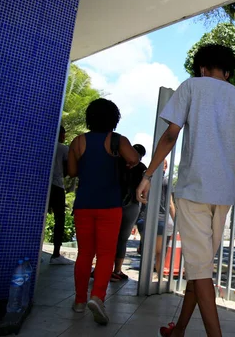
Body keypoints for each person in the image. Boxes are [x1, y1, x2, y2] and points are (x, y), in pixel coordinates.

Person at [136, 44, 235, 337]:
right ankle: (179, 329)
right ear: (228, 71)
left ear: (202, 67)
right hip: (225, 192)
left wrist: (148, 173)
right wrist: (225, 145)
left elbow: (170, 135)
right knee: (200, 266)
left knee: (200, 269)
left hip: (194, 189)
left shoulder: (192, 86)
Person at [67, 98, 140, 325]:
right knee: (106, 253)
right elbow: (134, 159)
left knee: (84, 253)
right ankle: (97, 297)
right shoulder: (117, 140)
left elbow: (71, 171)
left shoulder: (78, 142)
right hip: (110, 205)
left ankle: (79, 301)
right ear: (114, 119)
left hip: (84, 205)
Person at [112, 144, 147, 281]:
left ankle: (101, 269)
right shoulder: (142, 168)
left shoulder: (118, 162)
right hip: (132, 204)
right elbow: (145, 191)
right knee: (122, 239)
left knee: (109, 237)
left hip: (113, 202)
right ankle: (117, 270)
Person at [136, 158, 176, 276]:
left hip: (145, 219)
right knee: (159, 253)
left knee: (147, 252)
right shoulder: (166, 182)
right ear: (166, 167)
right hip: (161, 221)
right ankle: (158, 280)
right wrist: (177, 222)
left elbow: (143, 197)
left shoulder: (146, 181)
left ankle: (144, 279)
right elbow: (170, 204)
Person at [48, 125, 74, 265]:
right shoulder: (63, 149)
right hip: (57, 185)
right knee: (60, 219)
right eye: (63, 134)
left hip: (44, 186)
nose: (64, 137)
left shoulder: (45, 146)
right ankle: (56, 254)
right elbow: (69, 169)